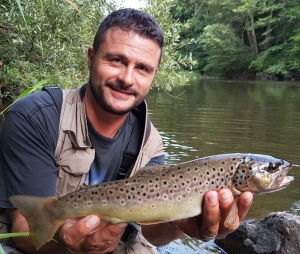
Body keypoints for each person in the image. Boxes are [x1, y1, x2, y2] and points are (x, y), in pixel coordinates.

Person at [0, 8, 253, 254]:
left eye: (143, 68)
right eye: (116, 60)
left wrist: (180, 224)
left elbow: (151, 233)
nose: (127, 78)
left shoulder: (149, 142)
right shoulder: (36, 116)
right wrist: (68, 245)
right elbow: (24, 233)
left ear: (153, 76)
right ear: (91, 58)